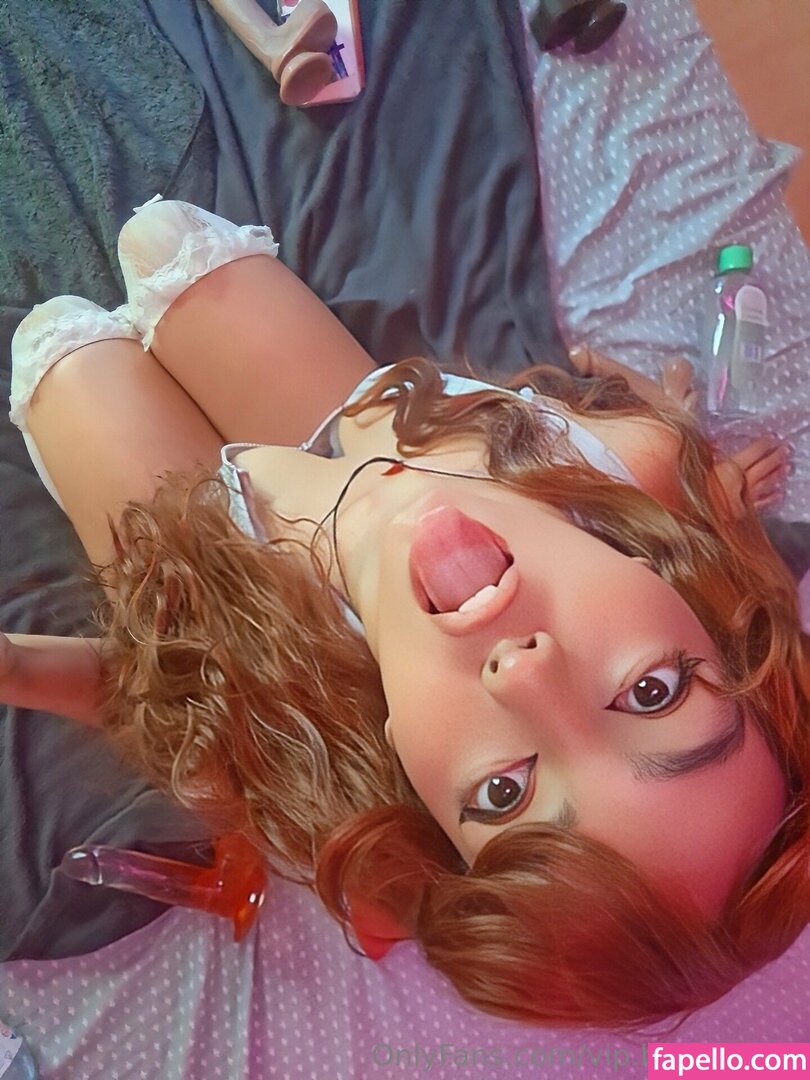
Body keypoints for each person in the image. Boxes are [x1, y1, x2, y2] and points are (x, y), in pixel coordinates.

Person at [3, 199, 809, 1029]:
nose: (523, 671)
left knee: (63, 348)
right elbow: (697, 498)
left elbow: (153, 692)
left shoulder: (290, 717)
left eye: (503, 792)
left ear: (416, 789)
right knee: (161, 239)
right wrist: (675, 432)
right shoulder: (631, 464)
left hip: (209, 551)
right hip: (363, 421)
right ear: (684, 597)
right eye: (651, 693)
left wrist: (15, 667)